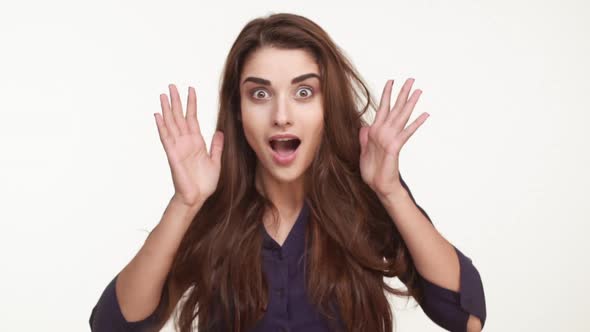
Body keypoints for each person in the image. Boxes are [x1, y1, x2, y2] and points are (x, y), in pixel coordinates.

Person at [89, 12, 486, 332]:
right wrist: (184, 203)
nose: (281, 116)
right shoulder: (212, 206)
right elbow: (113, 327)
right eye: (259, 94)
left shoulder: (366, 196)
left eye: (303, 92)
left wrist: (391, 192)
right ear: (238, 110)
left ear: (327, 105)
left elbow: (466, 317)